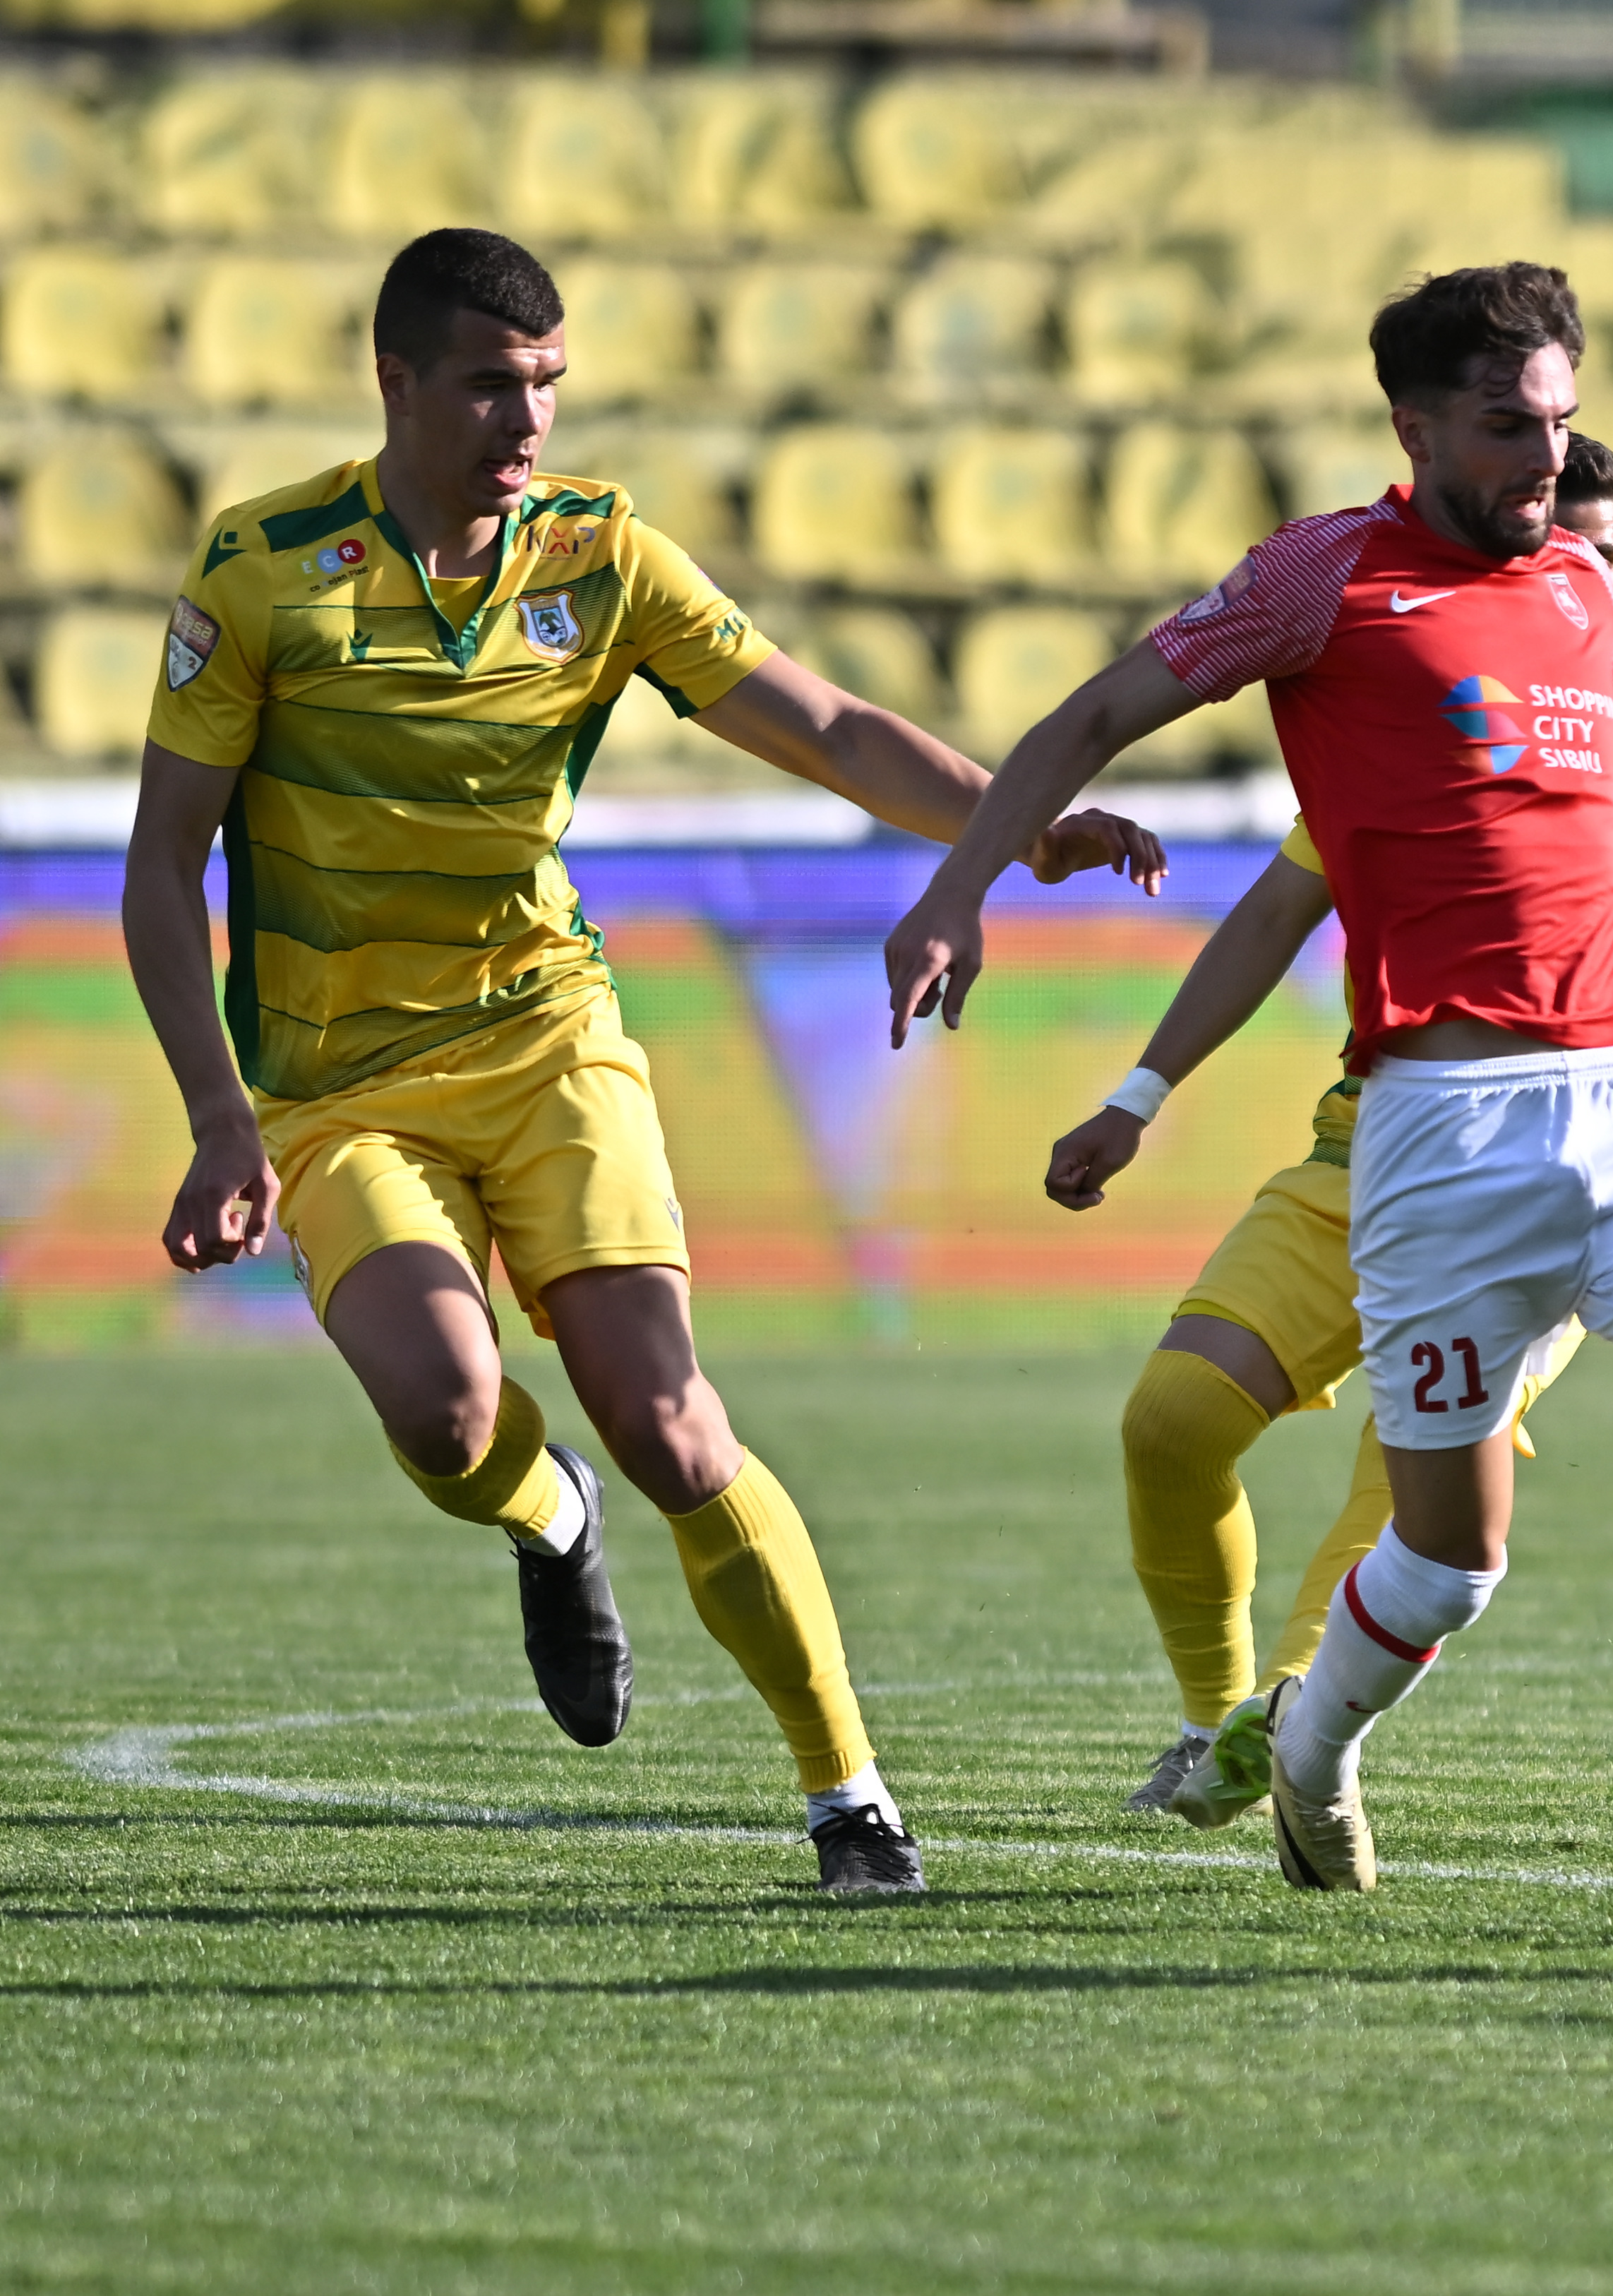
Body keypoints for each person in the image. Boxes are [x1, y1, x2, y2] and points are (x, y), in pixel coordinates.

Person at [889, 261, 1613, 1893]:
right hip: (1435, 1137)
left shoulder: (1569, 583)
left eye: (1564, 424)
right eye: (1513, 428)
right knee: (1445, 1563)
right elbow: (1099, 709)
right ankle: (1305, 1753)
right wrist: (958, 886)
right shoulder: (1324, 579)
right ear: (1415, 423)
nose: (1544, 459)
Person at [120, 227, 1164, 1896]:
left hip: (547, 1043)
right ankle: (549, 1520)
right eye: (486, 382)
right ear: (394, 381)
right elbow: (163, 862)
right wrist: (217, 1114)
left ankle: (850, 1801)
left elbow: (819, 725)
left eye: (544, 382)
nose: (522, 416)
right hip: (336, 1091)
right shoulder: (261, 571)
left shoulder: (600, 555)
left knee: (675, 1423)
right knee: (453, 1413)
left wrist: (1011, 826)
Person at [1052, 434, 1613, 1826]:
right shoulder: (1439, 724)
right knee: (1170, 1423)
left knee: (1413, 1473)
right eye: (1554, 548)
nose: (1576, 576)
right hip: (1371, 1156)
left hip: (1561, 1182)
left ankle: (1287, 1722)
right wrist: (1135, 1096)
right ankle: (1218, 1720)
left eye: (1606, 558)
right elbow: (1276, 914)